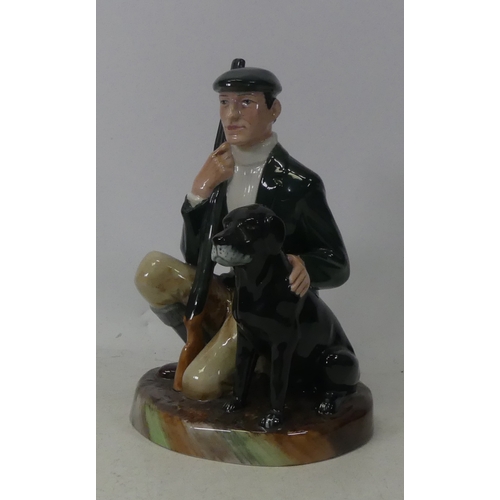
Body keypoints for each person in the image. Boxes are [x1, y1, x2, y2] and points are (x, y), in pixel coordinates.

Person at [135, 67, 349, 400]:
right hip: (232, 295)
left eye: (246, 102)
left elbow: (337, 263)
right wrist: (199, 192)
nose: (232, 115)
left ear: (274, 110)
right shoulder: (219, 172)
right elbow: (195, 256)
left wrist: (304, 264)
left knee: (198, 386)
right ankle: (207, 346)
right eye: (224, 102)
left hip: (269, 308)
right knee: (152, 270)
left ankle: (256, 364)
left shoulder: (298, 184)